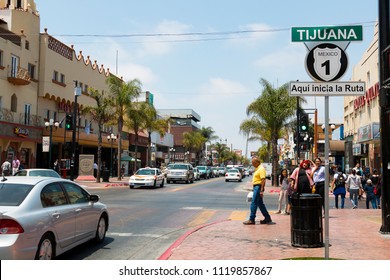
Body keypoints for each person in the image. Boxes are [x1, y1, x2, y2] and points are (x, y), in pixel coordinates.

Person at [243, 156, 272, 225]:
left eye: (253, 162)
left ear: (257, 162)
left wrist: (261, 190)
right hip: (256, 187)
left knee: (254, 203)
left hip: (258, 187)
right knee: (260, 204)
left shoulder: (261, 169)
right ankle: (267, 218)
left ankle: (252, 219)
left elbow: (263, 180)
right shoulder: (257, 168)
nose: (252, 164)